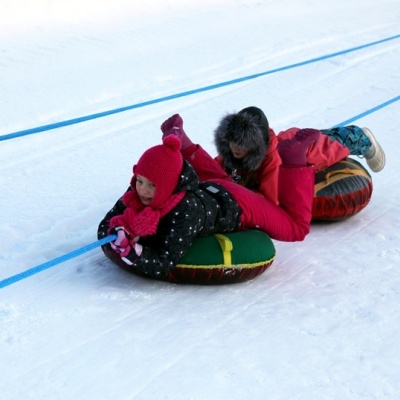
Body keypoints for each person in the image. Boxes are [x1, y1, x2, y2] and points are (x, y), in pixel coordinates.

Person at [98, 130, 319, 279]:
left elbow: (164, 262)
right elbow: (104, 226)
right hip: (213, 187)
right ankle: (180, 139)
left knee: (296, 229)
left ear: (168, 186)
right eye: (140, 180)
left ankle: (294, 159)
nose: (143, 190)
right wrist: (117, 228)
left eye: (152, 185)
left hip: (241, 205)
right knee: (223, 180)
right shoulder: (136, 192)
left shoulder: (185, 212)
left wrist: (131, 250)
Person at [160, 107, 385, 205]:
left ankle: (362, 136)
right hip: (285, 138)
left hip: (309, 151)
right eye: (232, 142)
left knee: (338, 141)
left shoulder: (272, 160)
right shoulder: (232, 151)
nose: (235, 149)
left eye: (242, 144)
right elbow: (215, 170)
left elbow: (272, 198)